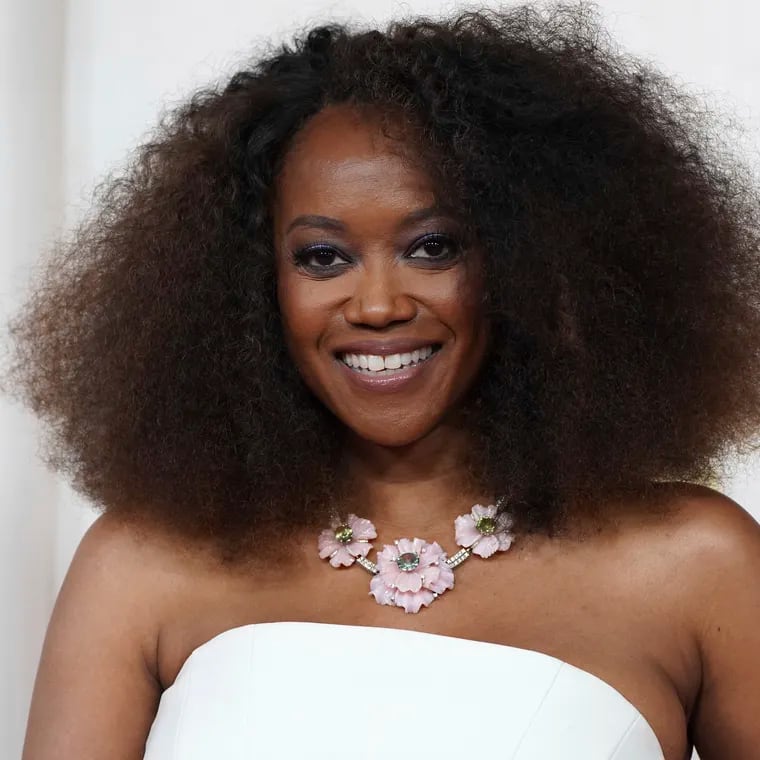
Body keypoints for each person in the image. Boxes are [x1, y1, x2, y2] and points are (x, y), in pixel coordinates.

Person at [6, 4, 760, 759]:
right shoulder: (141, 566)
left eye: (433, 247)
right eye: (322, 258)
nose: (377, 306)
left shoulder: (695, 565)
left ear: (535, 260)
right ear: (246, 285)